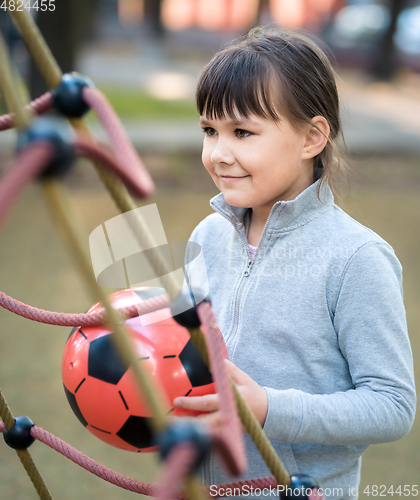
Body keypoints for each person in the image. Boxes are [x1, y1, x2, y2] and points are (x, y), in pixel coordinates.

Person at [172, 27, 416, 499]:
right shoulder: (207, 237)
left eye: (242, 132)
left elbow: (392, 405)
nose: (219, 154)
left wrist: (268, 407)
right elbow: (188, 352)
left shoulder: (356, 258)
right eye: (209, 130)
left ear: (311, 138)